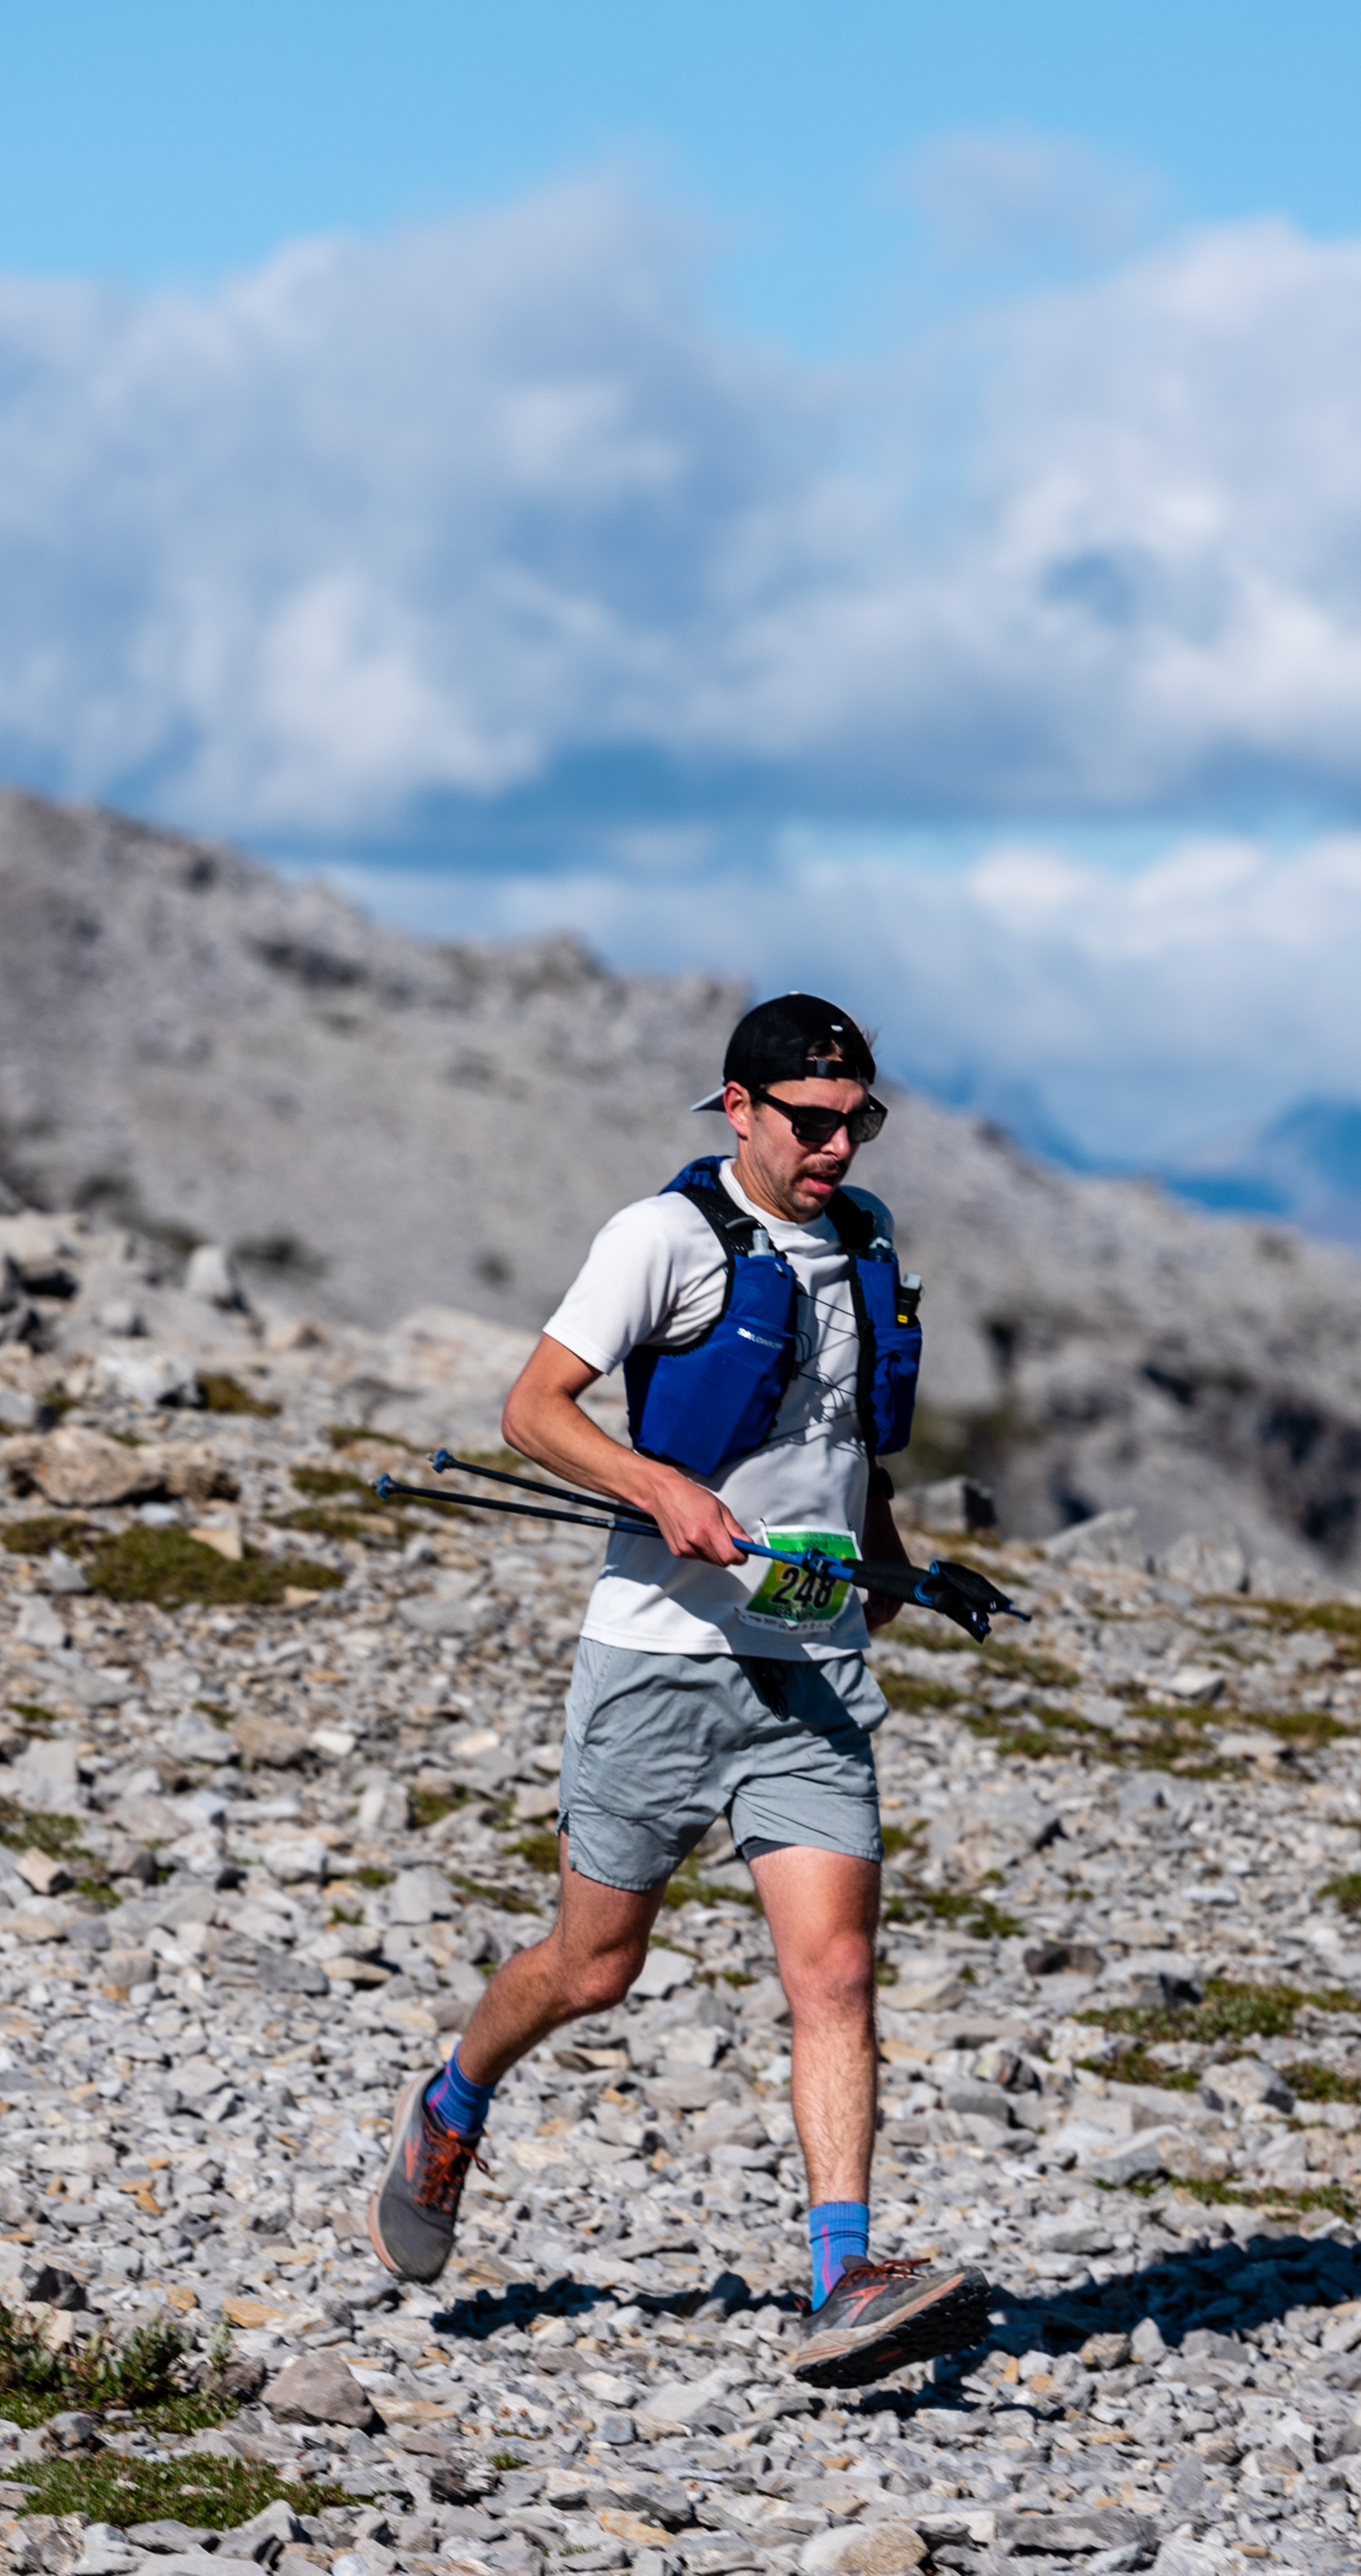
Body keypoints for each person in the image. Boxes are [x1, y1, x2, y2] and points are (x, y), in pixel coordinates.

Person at [359, 994, 994, 2391]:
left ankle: (842, 2280)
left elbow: (844, 1449)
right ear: (739, 1109)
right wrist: (659, 1489)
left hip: (812, 1659)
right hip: (659, 1653)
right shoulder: (659, 1238)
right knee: (596, 1966)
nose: (836, 1147)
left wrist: (897, 1568)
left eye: (857, 1122)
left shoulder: (867, 1238)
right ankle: (451, 2102)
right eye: (812, 1123)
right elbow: (532, 1409)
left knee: (831, 1968)